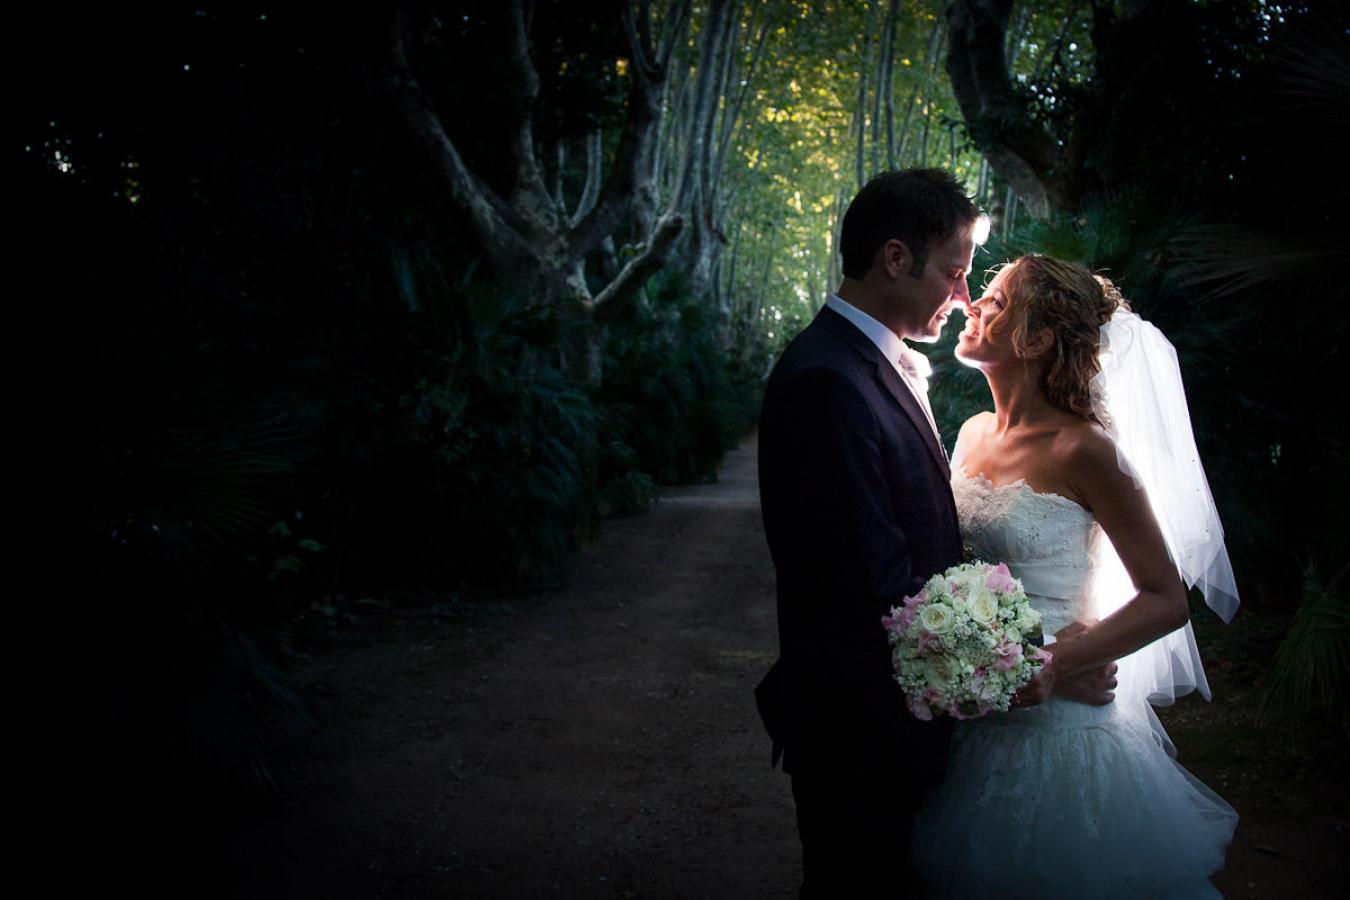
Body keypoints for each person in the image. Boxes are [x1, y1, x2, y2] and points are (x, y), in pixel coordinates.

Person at [909, 254, 1240, 897]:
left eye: (998, 302)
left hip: (1057, 733)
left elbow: (1166, 598)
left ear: (1036, 341)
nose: (973, 305)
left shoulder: (1084, 449)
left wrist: (1059, 660)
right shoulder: (972, 433)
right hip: (970, 723)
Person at [754, 168, 984, 896]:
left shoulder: (865, 364)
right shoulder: (829, 380)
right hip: (862, 734)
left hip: (893, 729)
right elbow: (875, 590)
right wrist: (1025, 668)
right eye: (954, 273)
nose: (964, 298)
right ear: (894, 258)